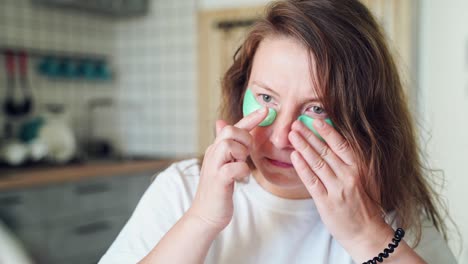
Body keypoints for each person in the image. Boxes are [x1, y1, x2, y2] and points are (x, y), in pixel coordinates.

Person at [100, 0, 457, 263]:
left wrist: (367, 236)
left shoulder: (389, 212)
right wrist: (201, 221)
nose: (281, 137)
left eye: (317, 109)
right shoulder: (181, 189)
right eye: (266, 98)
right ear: (243, 91)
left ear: (362, 119)